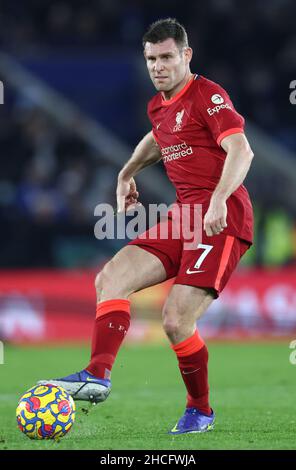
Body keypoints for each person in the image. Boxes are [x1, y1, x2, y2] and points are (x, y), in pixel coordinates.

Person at [39, 18, 254, 435]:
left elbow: (241, 150)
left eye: (168, 57)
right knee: (111, 276)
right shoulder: (158, 105)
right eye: (152, 59)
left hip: (220, 220)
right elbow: (158, 136)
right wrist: (126, 172)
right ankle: (97, 375)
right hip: (183, 217)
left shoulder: (207, 96)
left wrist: (217, 200)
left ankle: (200, 409)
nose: (159, 66)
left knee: (175, 320)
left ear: (186, 56)